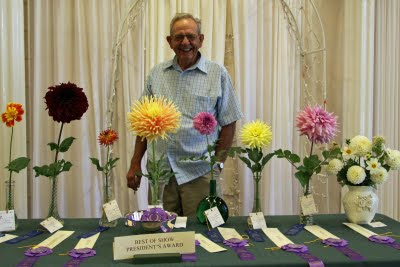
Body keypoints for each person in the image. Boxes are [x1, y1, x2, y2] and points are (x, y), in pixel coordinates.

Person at [126, 13, 243, 216]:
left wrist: (219, 163)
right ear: (169, 42)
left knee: (204, 236)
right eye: (179, 37)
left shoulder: (218, 74)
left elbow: (229, 121)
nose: (185, 42)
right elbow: (144, 123)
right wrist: (135, 162)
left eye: (191, 36)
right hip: (161, 173)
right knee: (163, 235)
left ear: (201, 39)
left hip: (200, 173)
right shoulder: (156, 75)